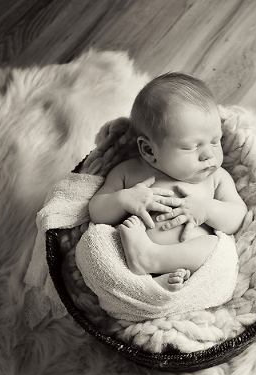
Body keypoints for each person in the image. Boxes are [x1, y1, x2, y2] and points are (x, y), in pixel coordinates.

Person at [88, 72, 246, 291]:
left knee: (217, 249)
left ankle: (154, 259)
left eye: (215, 141)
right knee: (94, 244)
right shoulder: (129, 172)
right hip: (127, 264)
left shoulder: (216, 177)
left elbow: (237, 217)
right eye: (192, 146)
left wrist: (208, 209)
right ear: (149, 150)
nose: (208, 155)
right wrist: (124, 200)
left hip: (191, 266)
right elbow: (96, 212)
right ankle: (148, 284)